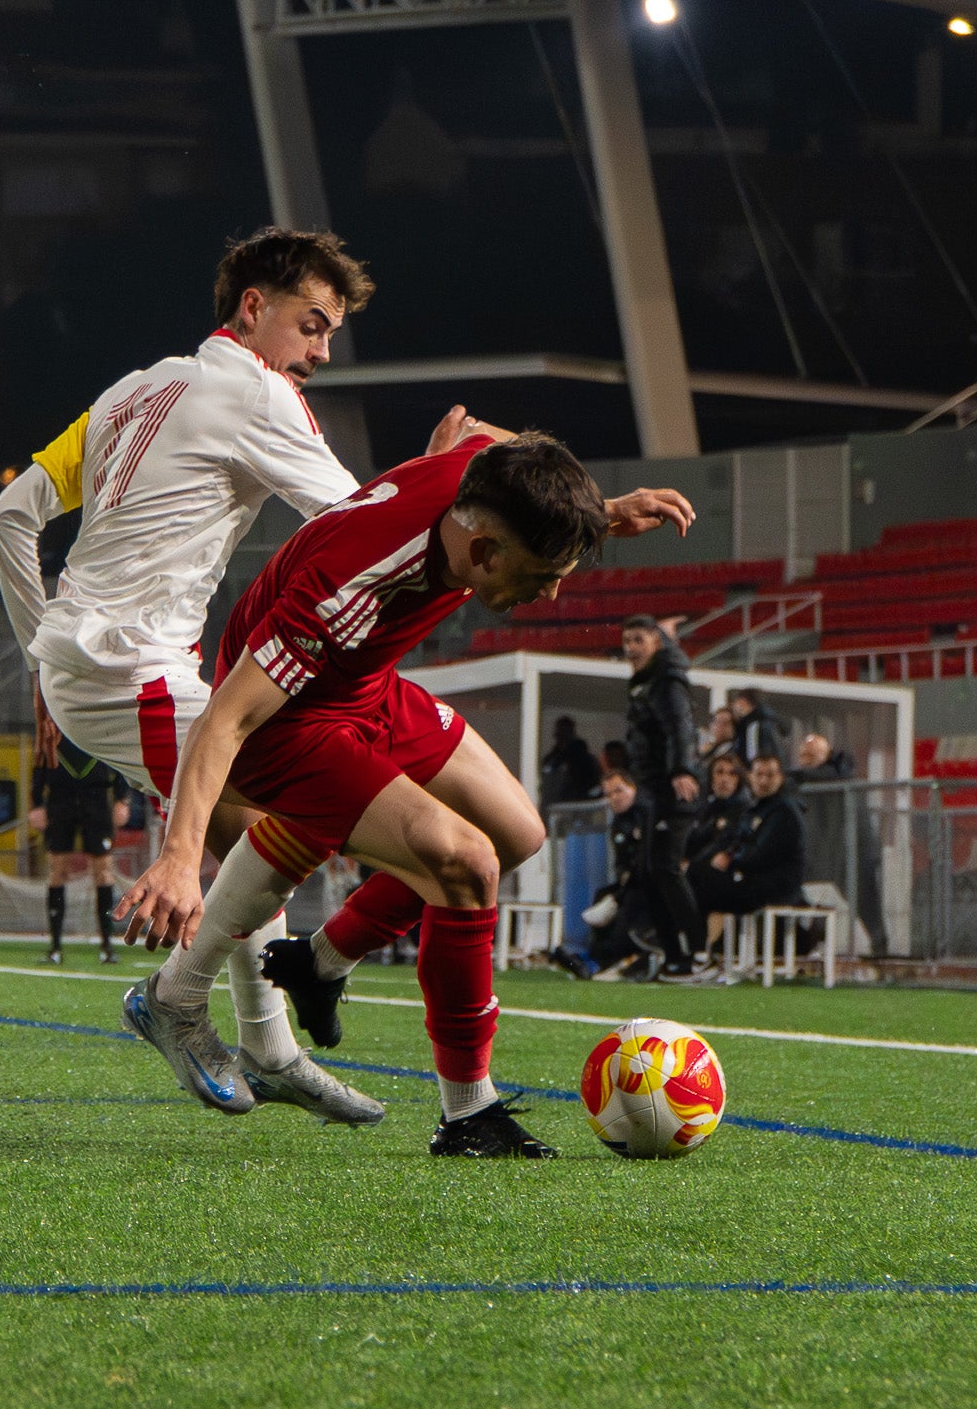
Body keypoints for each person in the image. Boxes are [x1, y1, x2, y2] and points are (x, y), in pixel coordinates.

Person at [114, 426, 694, 1158]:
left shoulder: (477, 482)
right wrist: (177, 856)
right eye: (543, 572)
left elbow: (481, 434)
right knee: (465, 861)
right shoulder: (355, 583)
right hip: (285, 726)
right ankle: (467, 1114)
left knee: (517, 834)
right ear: (483, 551)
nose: (551, 591)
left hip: (361, 689)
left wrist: (599, 509)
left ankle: (318, 963)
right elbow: (223, 720)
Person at [0, 226, 403, 1122]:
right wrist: (460, 482)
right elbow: (363, 519)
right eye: (312, 324)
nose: (322, 352)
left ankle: (266, 1042)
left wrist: (38, 657)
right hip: (129, 668)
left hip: (91, 663)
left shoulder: (132, 391)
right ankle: (190, 1010)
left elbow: (7, 517)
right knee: (283, 821)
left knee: (265, 831)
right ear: (253, 309)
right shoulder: (256, 391)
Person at [621, 615, 707, 978]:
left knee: (666, 869)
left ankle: (700, 952)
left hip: (672, 791)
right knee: (650, 871)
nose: (630, 648)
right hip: (655, 791)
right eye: (627, 640)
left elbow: (680, 727)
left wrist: (681, 770)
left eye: (638, 639)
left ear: (656, 643)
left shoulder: (665, 683)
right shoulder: (647, 682)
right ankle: (674, 956)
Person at [30, 736, 130, 964]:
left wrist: (122, 799)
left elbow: (118, 759)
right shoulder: (52, 729)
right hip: (60, 800)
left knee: (103, 871)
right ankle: (55, 948)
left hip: (96, 799)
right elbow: (39, 765)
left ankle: (107, 945)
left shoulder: (98, 725)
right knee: (57, 870)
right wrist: (36, 804)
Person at [689, 752, 807, 940]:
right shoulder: (756, 808)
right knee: (694, 878)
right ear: (750, 777)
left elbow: (760, 855)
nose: (763, 780)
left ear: (781, 778)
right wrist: (729, 855)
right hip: (752, 882)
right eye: (759, 775)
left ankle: (700, 948)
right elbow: (738, 841)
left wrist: (731, 860)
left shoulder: (785, 811)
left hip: (774, 888)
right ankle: (700, 947)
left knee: (700, 883)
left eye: (770, 775)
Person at [793, 730, 888, 958]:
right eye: (803, 756)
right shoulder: (805, 783)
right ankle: (809, 941)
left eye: (811, 755)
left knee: (866, 902)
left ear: (826, 755)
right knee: (798, 894)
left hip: (853, 852)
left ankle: (879, 947)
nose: (806, 761)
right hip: (825, 851)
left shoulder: (840, 777)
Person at [574, 769, 659, 981]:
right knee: (602, 895)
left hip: (652, 883)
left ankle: (614, 958)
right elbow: (621, 862)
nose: (614, 798)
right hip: (631, 881)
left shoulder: (648, 813)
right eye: (609, 794)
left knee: (628, 904)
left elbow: (648, 859)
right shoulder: (619, 823)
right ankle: (595, 959)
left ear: (633, 789)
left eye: (619, 791)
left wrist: (622, 890)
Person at [538, 716, 599, 808]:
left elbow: (591, 787)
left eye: (565, 731)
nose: (562, 735)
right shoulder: (551, 760)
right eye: (560, 731)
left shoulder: (585, 760)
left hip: (576, 809)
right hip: (552, 810)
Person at [730, 688, 784, 768]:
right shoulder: (768, 721)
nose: (733, 706)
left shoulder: (754, 726)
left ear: (743, 702)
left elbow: (753, 757)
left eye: (735, 703)